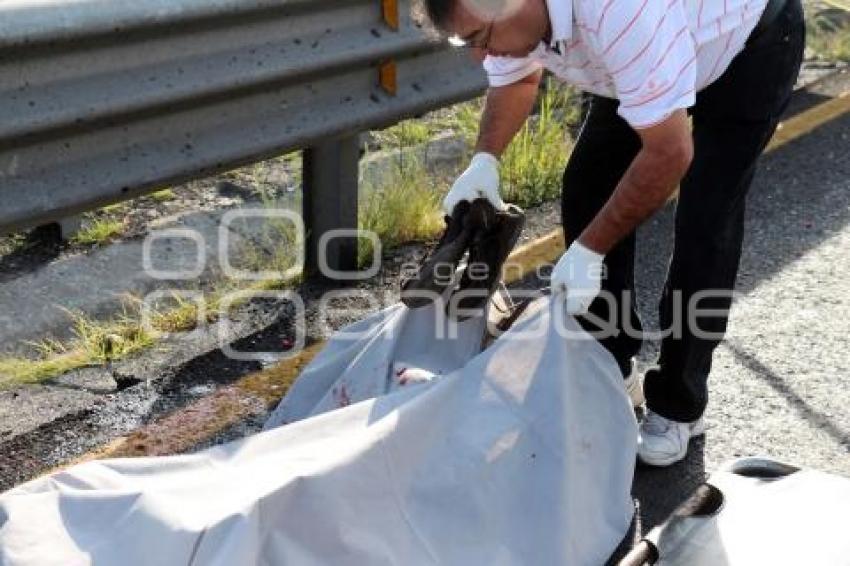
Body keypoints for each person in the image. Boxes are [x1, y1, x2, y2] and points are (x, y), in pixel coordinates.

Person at [423, 0, 804, 466]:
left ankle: (678, 406)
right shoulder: (515, 17)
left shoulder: (618, 13)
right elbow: (519, 77)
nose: (481, 57)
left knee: (706, 220)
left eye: (481, 39)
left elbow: (668, 153)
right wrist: (485, 161)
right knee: (588, 185)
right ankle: (609, 365)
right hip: (650, 51)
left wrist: (589, 250)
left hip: (746, 50)